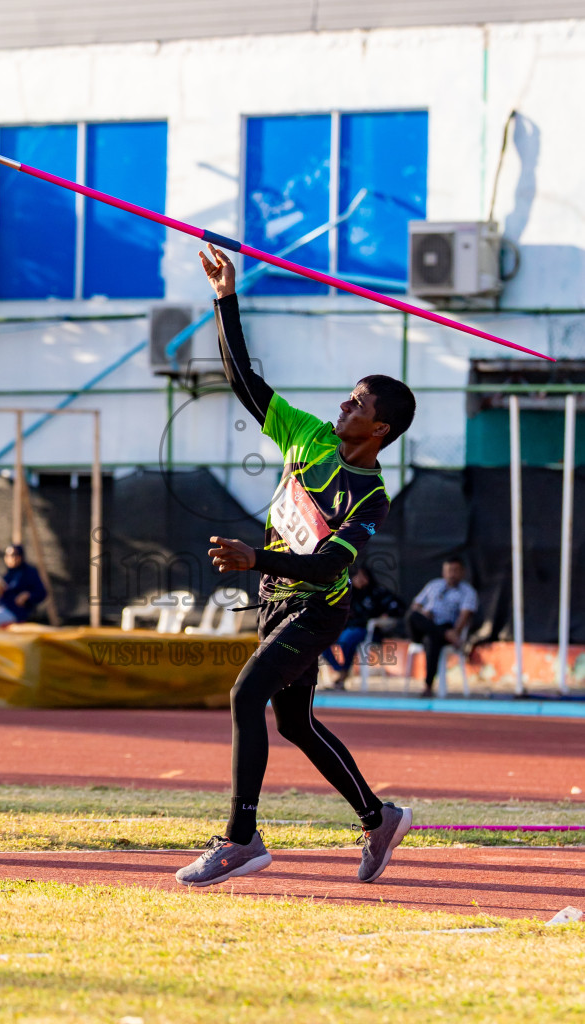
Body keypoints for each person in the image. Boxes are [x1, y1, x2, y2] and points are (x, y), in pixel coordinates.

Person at [175, 245, 416, 889]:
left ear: (379, 428)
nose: (345, 404)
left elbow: (329, 564)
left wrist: (258, 556)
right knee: (294, 722)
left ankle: (240, 839)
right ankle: (378, 816)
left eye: (357, 402)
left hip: (314, 607)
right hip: (277, 597)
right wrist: (227, 299)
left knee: (246, 695)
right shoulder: (308, 436)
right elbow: (244, 381)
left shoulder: (370, 496)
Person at [321, 565, 406, 687]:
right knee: (321, 639)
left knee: (348, 637)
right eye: (357, 576)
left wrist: (386, 615)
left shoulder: (376, 593)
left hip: (369, 631)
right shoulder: (346, 593)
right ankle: (340, 670)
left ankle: (343, 673)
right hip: (344, 629)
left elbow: (398, 606)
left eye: (363, 576)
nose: (360, 579)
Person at [406, 557, 478, 695]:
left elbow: (465, 615)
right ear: (443, 572)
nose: (452, 574)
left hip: (447, 628)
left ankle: (428, 686)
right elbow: (416, 605)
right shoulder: (433, 585)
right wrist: (424, 613)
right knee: (412, 616)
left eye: (455, 571)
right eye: (449, 570)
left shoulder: (467, 592)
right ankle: (443, 634)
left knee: (432, 639)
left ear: (462, 572)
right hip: (424, 628)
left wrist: (455, 631)